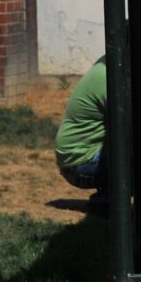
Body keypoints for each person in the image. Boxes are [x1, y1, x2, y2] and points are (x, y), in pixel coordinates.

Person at [54, 57, 106, 194]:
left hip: (79, 158)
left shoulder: (108, 64)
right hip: (81, 163)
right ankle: (105, 202)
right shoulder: (108, 75)